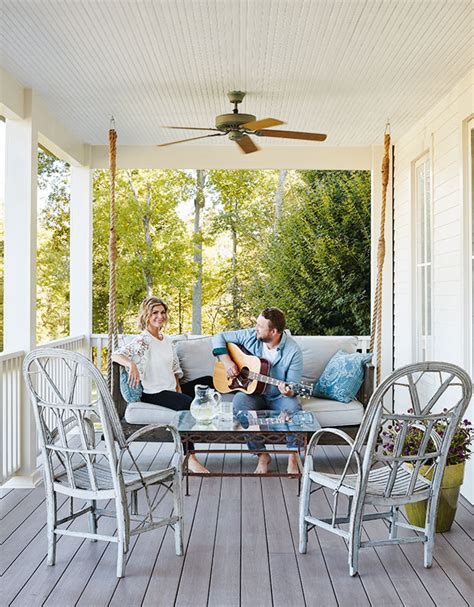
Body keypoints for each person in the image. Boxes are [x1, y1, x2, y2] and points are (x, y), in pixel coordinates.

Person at [112, 296, 213, 474]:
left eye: (162, 312)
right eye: (155, 313)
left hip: (169, 387)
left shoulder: (167, 340)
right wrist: (131, 365)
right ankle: (190, 457)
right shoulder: (142, 341)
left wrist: (178, 388)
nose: (160, 316)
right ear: (146, 315)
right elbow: (116, 355)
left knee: (207, 382)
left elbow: (174, 368)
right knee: (185, 404)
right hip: (153, 390)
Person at [212, 307, 303, 475]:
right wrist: (227, 362)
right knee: (239, 404)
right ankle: (262, 454)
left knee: (294, 409)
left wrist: (289, 391)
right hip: (252, 394)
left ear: (274, 331)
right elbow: (219, 337)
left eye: (260, 326)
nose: (256, 328)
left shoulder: (293, 351)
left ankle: (293, 455)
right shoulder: (252, 335)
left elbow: (294, 386)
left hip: (278, 396)